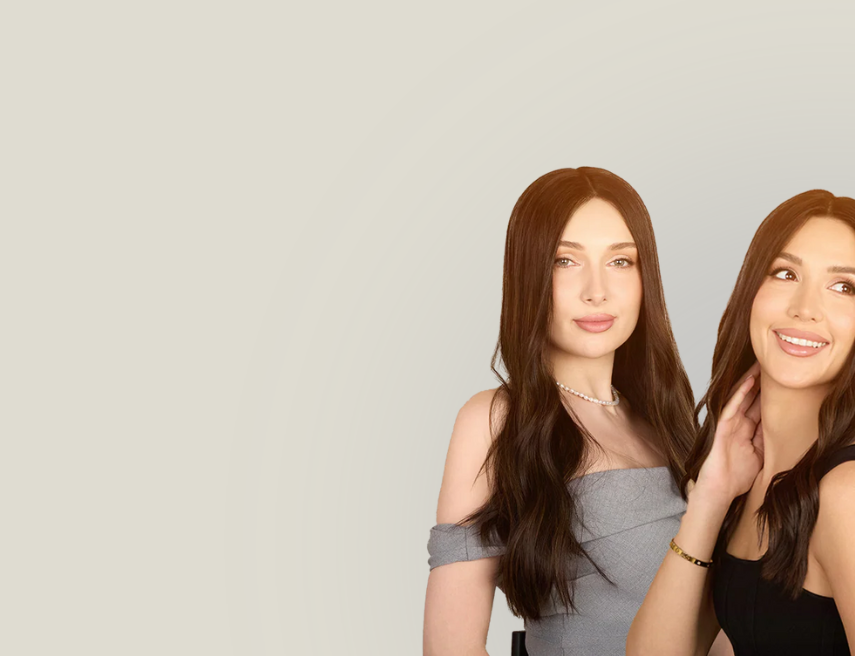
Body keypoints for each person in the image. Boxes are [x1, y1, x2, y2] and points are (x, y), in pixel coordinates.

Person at [423, 167, 698, 655]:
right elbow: (451, 649)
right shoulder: (495, 421)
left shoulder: (669, 422)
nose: (597, 290)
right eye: (565, 260)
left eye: (620, 261)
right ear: (528, 274)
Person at [627, 190, 855, 656]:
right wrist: (710, 500)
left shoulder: (847, 494)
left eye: (845, 287)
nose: (805, 307)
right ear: (751, 290)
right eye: (785, 273)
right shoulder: (749, 481)